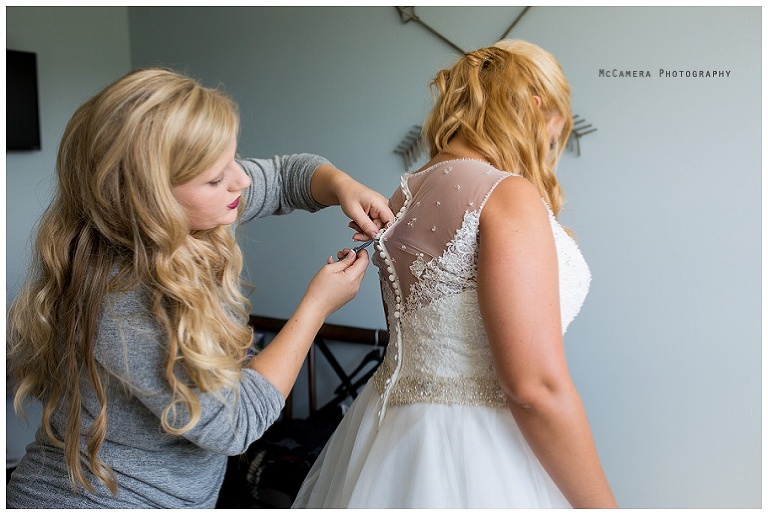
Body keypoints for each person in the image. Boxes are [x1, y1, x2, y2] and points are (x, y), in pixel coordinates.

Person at [6, 67, 394, 509]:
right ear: (150, 200)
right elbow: (234, 423)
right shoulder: (124, 302)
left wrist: (342, 185)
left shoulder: (197, 213)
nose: (241, 180)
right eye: (215, 178)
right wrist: (315, 310)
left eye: (234, 159)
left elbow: (288, 176)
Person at [292, 39, 617, 508]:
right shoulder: (506, 194)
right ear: (534, 105)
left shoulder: (407, 191)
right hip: (479, 451)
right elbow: (534, 387)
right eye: (554, 132)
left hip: (389, 437)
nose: (550, 147)